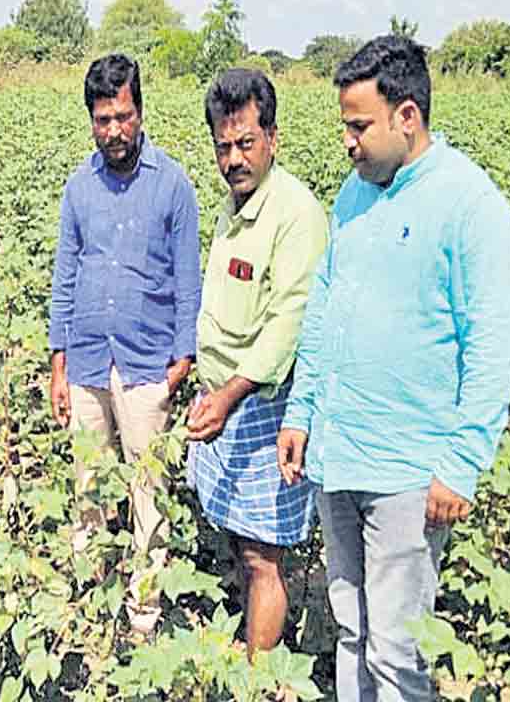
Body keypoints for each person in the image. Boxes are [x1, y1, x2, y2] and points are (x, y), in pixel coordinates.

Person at [276, 35, 510, 701]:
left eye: (359, 126)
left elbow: (493, 343)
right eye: (344, 127)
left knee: (397, 650)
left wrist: (462, 460)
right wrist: (301, 413)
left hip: (409, 472)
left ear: (406, 116)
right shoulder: (354, 197)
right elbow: (323, 311)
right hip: (339, 455)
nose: (348, 142)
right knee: (352, 629)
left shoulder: (470, 205)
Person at [47, 53, 201, 635]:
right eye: (103, 118)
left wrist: (180, 361)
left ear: (141, 111)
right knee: (88, 487)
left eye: (124, 115)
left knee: (147, 491)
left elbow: (189, 278)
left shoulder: (173, 184)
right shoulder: (79, 187)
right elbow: (64, 275)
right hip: (86, 358)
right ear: (90, 119)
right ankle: (87, 601)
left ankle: (143, 612)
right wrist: (58, 364)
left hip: (145, 365)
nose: (115, 130)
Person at [187, 68, 328, 660]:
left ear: (273, 136)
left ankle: (258, 677)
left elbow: (285, 326)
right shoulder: (234, 205)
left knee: (264, 554)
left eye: (246, 142)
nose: (234, 157)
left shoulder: (296, 215)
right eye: (224, 145)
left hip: (263, 405)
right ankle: (249, 653)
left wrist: (228, 395)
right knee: (241, 542)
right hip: (224, 395)